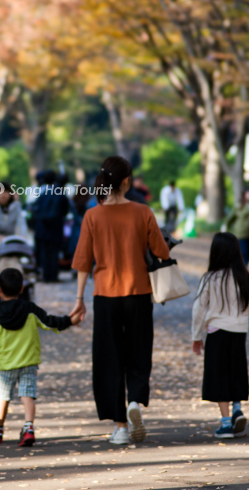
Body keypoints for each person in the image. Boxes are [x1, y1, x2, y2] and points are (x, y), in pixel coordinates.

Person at [71, 156, 171, 445]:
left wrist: (79, 300)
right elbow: (162, 253)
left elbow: (82, 262)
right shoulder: (143, 212)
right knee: (139, 352)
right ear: (127, 180)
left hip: (105, 296)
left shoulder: (92, 216)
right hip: (138, 293)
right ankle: (135, 403)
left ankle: (120, 427)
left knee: (109, 359)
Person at [0, 268, 80, 447]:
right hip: (29, 362)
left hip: (7, 365)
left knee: (3, 397)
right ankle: (28, 428)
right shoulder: (30, 309)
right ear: (21, 289)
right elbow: (49, 322)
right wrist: (69, 321)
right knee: (27, 395)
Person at [190, 232, 249, 439]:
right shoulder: (245, 277)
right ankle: (237, 409)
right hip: (239, 333)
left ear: (215, 253)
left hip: (216, 333)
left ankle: (225, 424)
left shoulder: (209, 278)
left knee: (218, 376)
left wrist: (196, 336)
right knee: (236, 371)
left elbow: (198, 309)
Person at [32, 171, 70, 283]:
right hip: (56, 227)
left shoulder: (45, 193)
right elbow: (65, 210)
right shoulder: (61, 194)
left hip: (42, 227)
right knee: (54, 252)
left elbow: (36, 207)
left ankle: (46, 275)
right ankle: (53, 275)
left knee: (44, 252)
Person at [0, 183, 29, 272]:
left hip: (10, 243)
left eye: (6, 192)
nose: (2, 195)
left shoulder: (16, 207)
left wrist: (23, 235)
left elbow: (21, 222)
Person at [223, 189, 249, 266]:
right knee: (243, 251)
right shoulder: (239, 206)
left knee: (248, 252)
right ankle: (242, 267)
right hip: (240, 233)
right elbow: (231, 217)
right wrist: (225, 226)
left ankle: (244, 266)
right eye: (247, 194)